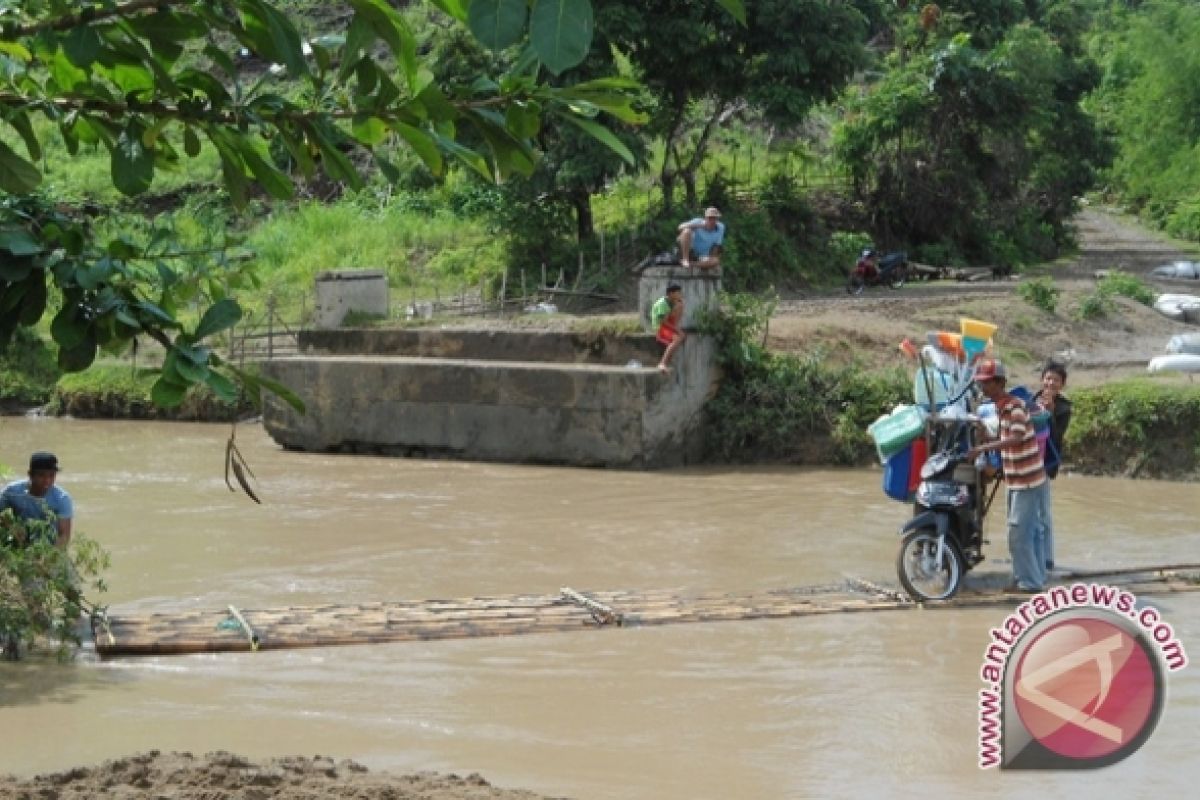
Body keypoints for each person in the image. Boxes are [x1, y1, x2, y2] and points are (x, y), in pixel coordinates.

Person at [966, 359, 1048, 593]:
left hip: (1027, 481)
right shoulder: (1001, 409)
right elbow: (1009, 441)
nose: (983, 388)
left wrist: (982, 449)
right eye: (981, 384)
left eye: (987, 383)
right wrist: (986, 439)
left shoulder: (1015, 408)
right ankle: (1033, 577)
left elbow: (1017, 438)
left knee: (1018, 534)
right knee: (1029, 532)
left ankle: (1029, 584)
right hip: (1016, 479)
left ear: (1000, 383)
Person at [1033, 362, 1071, 570]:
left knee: (1044, 512)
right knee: (1027, 513)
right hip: (1027, 460)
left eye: (1056, 380)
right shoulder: (1030, 400)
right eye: (1048, 378)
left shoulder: (1065, 408)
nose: (1050, 383)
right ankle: (1030, 555)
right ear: (1042, 380)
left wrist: (1051, 414)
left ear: (1062, 385)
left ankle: (1047, 558)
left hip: (1045, 463)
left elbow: (1056, 438)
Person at [1, 451, 73, 550]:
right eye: (41, 475)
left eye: (51, 475)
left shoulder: (61, 499)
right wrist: (11, 527)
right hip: (20, 545)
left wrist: (48, 558)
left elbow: (63, 536)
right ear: (30, 475)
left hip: (50, 548)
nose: (47, 480)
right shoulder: (13, 492)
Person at [650, 284, 685, 373]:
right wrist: (677, 331)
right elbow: (664, 322)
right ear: (671, 293)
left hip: (668, 325)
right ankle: (662, 363)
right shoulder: (663, 304)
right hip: (660, 327)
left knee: (680, 305)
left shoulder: (673, 301)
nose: (680, 295)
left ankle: (675, 330)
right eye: (678, 293)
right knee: (677, 339)